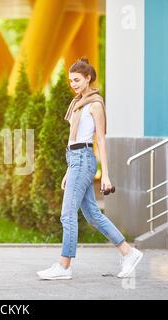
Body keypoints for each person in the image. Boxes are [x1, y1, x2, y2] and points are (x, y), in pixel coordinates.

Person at [36, 57, 143, 280]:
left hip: (84, 159)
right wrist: (68, 170)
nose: (73, 84)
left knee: (67, 215)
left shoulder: (95, 105)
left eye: (77, 80)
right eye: (70, 80)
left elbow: (100, 140)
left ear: (88, 78)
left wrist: (106, 175)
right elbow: (73, 140)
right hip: (75, 160)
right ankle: (129, 253)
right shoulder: (77, 103)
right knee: (93, 215)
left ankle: (64, 266)